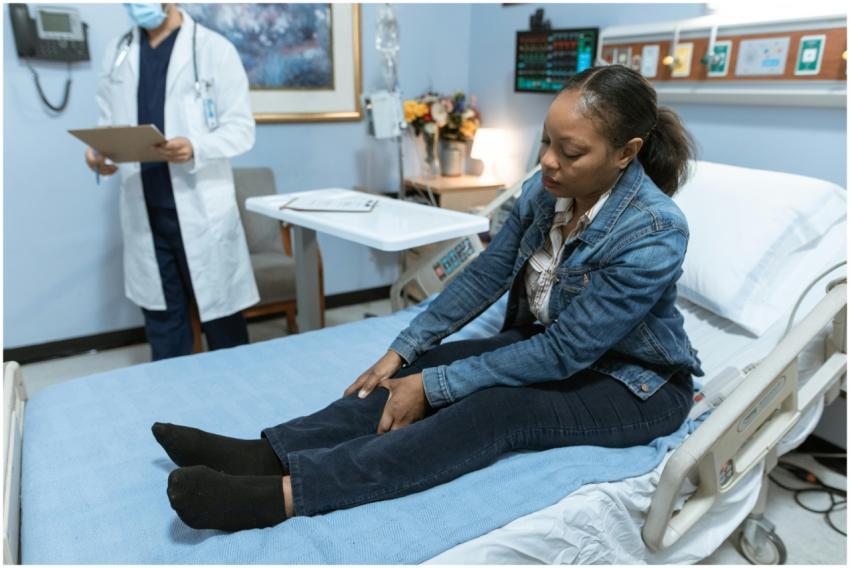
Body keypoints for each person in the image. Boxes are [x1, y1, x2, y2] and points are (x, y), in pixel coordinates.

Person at [152, 64, 705, 532]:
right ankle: (263, 454)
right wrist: (406, 350)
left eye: (571, 152)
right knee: (426, 367)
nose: (548, 163)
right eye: (545, 142)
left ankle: (285, 495)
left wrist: (434, 387)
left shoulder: (653, 230)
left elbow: (565, 353)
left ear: (626, 153)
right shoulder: (548, 193)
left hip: (635, 385)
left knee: (494, 409)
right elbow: (485, 273)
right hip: (552, 349)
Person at [85, 3, 259, 360]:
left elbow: (242, 130)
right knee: (163, 323)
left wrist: (196, 146)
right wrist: (100, 154)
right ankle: (173, 405)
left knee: (223, 322)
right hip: (145, 208)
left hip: (201, 209)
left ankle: (240, 399)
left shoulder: (214, 49)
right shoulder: (118, 52)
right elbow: (108, 122)